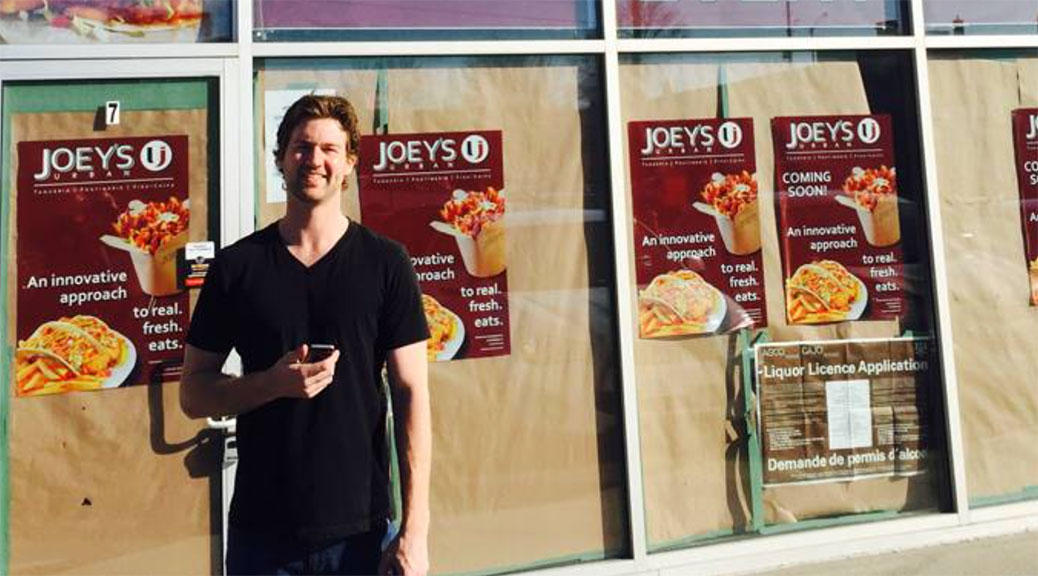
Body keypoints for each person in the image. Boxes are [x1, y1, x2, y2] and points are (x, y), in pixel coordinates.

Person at [180, 94, 431, 576]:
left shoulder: (386, 263)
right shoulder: (237, 267)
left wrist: (414, 532)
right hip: (262, 536)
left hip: (362, 531)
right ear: (280, 157)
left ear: (350, 163)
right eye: (301, 147)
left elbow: (411, 393)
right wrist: (272, 384)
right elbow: (193, 394)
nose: (314, 160)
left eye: (329, 149)